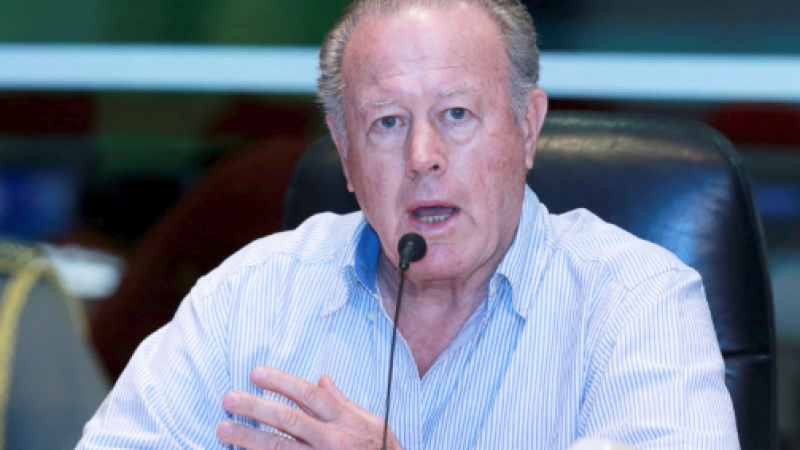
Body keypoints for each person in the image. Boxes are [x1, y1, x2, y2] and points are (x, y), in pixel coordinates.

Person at [77, 0, 740, 448]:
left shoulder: (636, 301)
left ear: (527, 127)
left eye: (456, 114)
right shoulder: (251, 296)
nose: (423, 156)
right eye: (388, 123)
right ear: (345, 151)